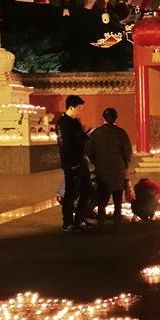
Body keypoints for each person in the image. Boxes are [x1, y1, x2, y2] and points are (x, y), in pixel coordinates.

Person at [86, 108, 133, 233]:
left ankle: (100, 226)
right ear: (116, 119)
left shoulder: (96, 133)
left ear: (103, 118)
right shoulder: (121, 133)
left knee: (102, 201)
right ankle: (116, 226)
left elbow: (89, 150)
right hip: (118, 171)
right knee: (117, 201)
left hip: (102, 171)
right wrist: (125, 164)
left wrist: (97, 163)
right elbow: (128, 152)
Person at [57, 95, 91, 232]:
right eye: (79, 108)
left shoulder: (75, 122)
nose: (81, 110)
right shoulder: (63, 123)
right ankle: (67, 222)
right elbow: (65, 145)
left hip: (81, 161)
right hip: (72, 163)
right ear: (71, 107)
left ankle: (79, 219)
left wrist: (87, 135)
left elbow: (81, 138)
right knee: (71, 193)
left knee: (86, 190)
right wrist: (72, 163)